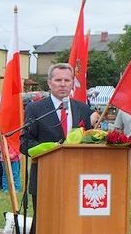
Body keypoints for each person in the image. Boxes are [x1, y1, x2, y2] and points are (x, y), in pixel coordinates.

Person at [20, 63, 93, 211]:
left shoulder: (83, 109)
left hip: (76, 177)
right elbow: (25, 142)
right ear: (49, 82)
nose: (63, 85)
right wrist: (49, 149)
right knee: (44, 224)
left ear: (72, 83)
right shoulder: (35, 109)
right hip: (45, 177)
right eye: (58, 80)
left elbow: (88, 139)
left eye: (67, 80)